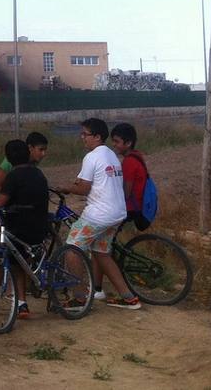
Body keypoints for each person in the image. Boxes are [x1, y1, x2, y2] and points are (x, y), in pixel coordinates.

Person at [55, 118, 140, 310]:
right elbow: (94, 180)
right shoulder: (111, 155)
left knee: (71, 250)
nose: (82, 137)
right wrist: (75, 184)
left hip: (98, 215)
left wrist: (64, 187)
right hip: (116, 214)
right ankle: (129, 298)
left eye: (85, 134)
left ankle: (79, 297)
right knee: (102, 253)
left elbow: (84, 188)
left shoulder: (92, 157)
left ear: (98, 136)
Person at [0, 139, 49, 320]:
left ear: (8, 158)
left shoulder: (13, 176)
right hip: (38, 228)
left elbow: (0, 201)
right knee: (17, 261)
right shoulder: (38, 174)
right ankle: (21, 304)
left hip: (17, 227)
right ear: (28, 154)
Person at [109, 122, 151, 231]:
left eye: (117, 141)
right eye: (113, 140)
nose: (113, 144)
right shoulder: (137, 155)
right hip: (138, 205)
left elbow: (126, 193)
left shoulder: (129, 162)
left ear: (128, 143)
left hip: (130, 209)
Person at [0, 131, 49, 195]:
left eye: (45, 150)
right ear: (30, 148)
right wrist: (10, 200)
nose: (43, 154)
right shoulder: (12, 159)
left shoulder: (34, 162)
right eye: (40, 150)